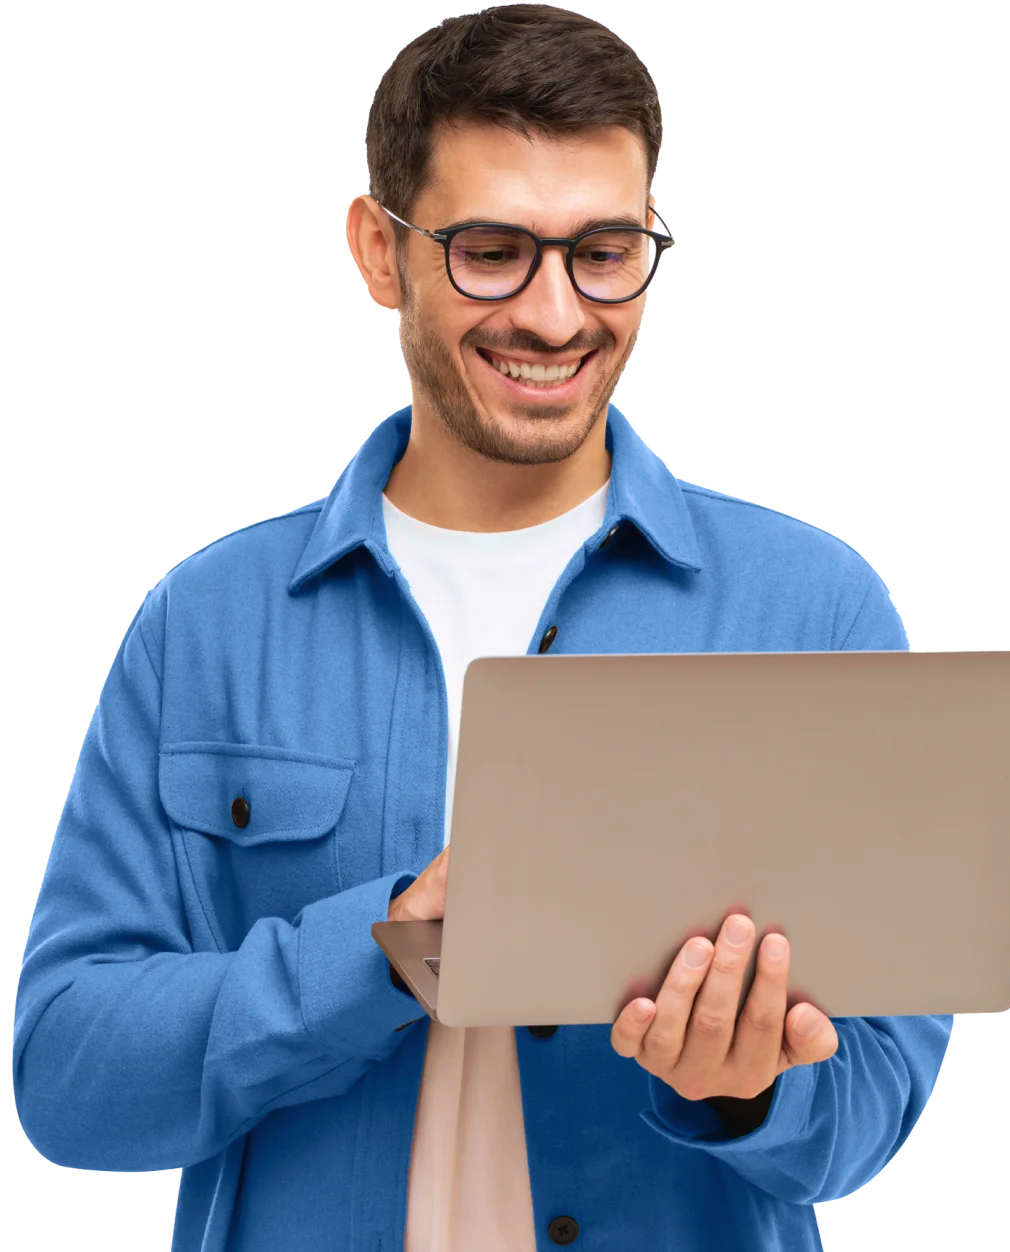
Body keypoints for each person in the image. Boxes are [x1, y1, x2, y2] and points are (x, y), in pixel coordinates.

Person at [12, 7, 953, 1250]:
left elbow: (875, 1110)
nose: (557, 316)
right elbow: (71, 1083)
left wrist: (749, 1085)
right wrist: (391, 949)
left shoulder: (816, 608)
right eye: (493, 250)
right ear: (376, 249)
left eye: (604, 252)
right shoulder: (207, 622)